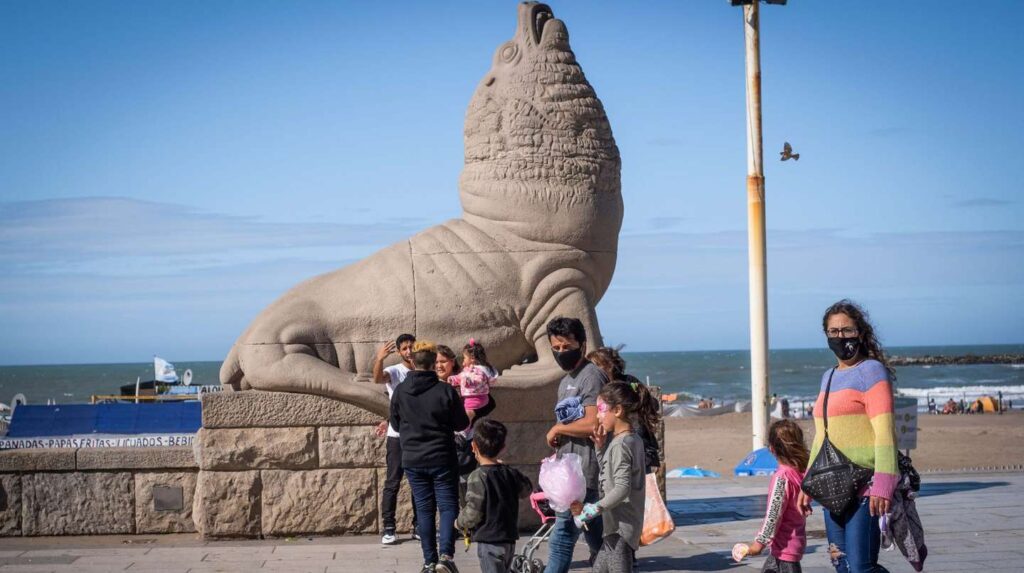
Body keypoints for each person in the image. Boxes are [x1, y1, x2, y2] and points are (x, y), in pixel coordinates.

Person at [798, 300, 898, 573]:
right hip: (833, 487)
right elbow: (822, 437)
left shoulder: (871, 371)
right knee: (840, 564)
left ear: (860, 333)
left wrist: (884, 484)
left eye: (847, 330)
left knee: (860, 568)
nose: (841, 337)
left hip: (866, 485)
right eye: (834, 332)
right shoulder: (827, 377)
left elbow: (885, 431)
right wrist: (808, 483)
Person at [390, 340, 471, 573]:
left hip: (413, 459)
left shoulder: (400, 391)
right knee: (447, 507)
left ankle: (428, 561)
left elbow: (395, 424)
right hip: (442, 457)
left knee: (424, 510)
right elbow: (462, 423)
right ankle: (445, 556)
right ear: (434, 362)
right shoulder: (445, 390)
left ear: (413, 361)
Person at [544, 317, 609, 573]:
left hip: (586, 468)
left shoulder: (591, 377)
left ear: (581, 345)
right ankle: (615, 564)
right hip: (570, 467)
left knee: (562, 534)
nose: (561, 352)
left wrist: (559, 428)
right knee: (596, 533)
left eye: (566, 346)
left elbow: (594, 422)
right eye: (556, 348)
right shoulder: (566, 380)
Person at [574, 380, 657, 573]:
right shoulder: (631, 439)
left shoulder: (621, 444)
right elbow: (609, 471)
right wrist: (601, 447)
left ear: (618, 410)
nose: (598, 416)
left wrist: (592, 509)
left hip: (620, 528)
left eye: (602, 409)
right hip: (618, 527)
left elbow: (621, 487)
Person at [455, 419, 533, 573]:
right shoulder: (509, 473)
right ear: (503, 448)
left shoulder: (478, 476)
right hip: (509, 540)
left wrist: (459, 522)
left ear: (474, 446)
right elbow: (527, 490)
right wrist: (507, 468)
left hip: (489, 541)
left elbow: (474, 511)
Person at [741, 420, 809, 573]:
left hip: (783, 551)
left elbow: (774, 515)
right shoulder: (801, 474)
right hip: (792, 546)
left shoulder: (782, 478)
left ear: (771, 449)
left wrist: (758, 544)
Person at [373, 333, 418, 545]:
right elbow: (377, 379)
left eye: (412, 347)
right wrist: (380, 358)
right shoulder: (395, 371)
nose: (409, 351)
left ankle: (419, 525)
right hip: (397, 436)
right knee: (393, 482)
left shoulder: (423, 371)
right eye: (405, 348)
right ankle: (389, 527)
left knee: (419, 482)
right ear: (399, 352)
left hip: (419, 436)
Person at [587, 347, 661, 474]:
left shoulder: (625, 385)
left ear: (609, 366)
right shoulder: (600, 388)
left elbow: (652, 403)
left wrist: (634, 404)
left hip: (638, 447)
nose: (592, 373)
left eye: (596, 367)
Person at [449, 340, 498, 428]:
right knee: (468, 418)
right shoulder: (470, 369)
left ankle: (464, 432)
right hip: (479, 398)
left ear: (472, 358)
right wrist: (452, 379)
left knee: (466, 418)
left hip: (474, 398)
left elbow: (478, 379)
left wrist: (468, 380)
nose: (463, 360)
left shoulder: (477, 370)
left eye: (464, 358)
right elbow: (461, 376)